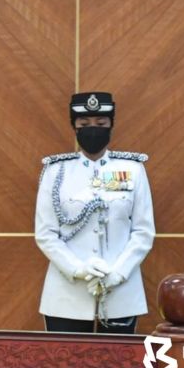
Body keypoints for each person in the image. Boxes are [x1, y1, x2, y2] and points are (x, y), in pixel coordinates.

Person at [34, 91, 155, 333]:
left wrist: (118, 274)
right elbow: (46, 234)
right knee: (66, 366)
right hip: (67, 294)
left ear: (111, 125)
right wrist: (77, 269)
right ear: (74, 127)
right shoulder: (56, 171)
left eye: (100, 124)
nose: (93, 130)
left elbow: (143, 231)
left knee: (119, 366)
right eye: (84, 124)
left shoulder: (132, 169)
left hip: (121, 291)